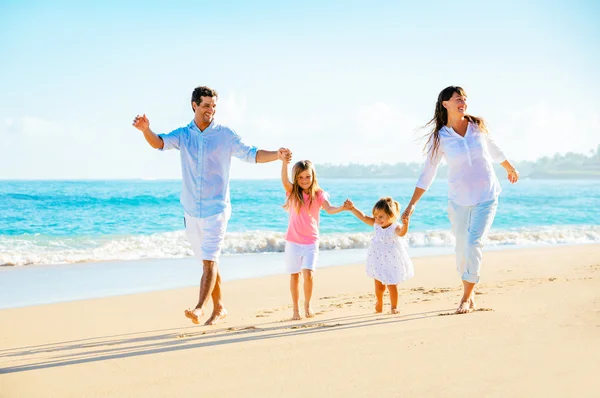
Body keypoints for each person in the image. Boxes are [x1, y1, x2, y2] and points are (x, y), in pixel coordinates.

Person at [132, 86, 290, 325]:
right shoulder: (184, 134)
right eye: (206, 106)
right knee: (209, 262)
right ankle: (220, 307)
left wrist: (276, 156)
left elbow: (251, 154)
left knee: (209, 261)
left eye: (213, 106)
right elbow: (159, 143)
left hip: (217, 209)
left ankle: (198, 308)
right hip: (191, 211)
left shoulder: (225, 134)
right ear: (194, 105)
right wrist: (146, 130)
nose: (211, 110)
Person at [402, 86, 519, 314]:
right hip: (459, 200)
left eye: (465, 99)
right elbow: (429, 171)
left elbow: (494, 150)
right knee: (461, 248)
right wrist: (412, 204)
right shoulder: (441, 137)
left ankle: (465, 297)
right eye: (458, 99)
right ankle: (470, 287)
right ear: (445, 103)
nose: (463, 102)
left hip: (486, 196)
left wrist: (509, 167)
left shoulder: (477, 127)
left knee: (474, 243)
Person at [280, 158, 347, 320]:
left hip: (311, 241)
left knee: (308, 274)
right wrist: (284, 162)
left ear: (313, 176)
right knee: (295, 276)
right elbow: (284, 180)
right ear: (296, 178)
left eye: (307, 176)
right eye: (300, 177)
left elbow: (329, 209)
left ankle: (307, 304)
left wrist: (343, 208)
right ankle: (295, 309)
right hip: (293, 241)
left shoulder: (318, 195)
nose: (304, 180)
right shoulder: (293, 193)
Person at [344, 197, 414, 314]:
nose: (377, 219)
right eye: (376, 216)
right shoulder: (376, 224)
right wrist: (352, 208)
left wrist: (406, 224)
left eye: (381, 216)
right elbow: (364, 217)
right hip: (377, 258)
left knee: (392, 284)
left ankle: (394, 307)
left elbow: (402, 233)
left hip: (392, 260)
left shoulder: (394, 227)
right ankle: (379, 302)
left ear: (391, 215)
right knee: (379, 286)